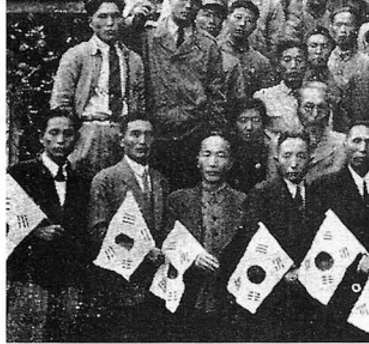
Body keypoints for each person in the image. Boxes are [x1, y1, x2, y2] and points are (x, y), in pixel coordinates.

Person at [134, 0, 225, 190]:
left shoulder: (208, 45)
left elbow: (216, 95)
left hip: (192, 135)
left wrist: (212, 133)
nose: (189, 5)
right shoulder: (147, 37)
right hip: (156, 134)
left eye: (195, 0)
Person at [7, 109, 90, 342]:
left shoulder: (82, 181)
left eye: (68, 134)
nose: (61, 140)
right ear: (41, 137)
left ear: (76, 139)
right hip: (29, 278)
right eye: (54, 133)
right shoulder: (19, 174)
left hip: (68, 281)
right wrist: (35, 232)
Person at [230, 132, 320, 341]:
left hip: (307, 290)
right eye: (287, 155)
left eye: (301, 156)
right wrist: (283, 272)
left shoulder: (317, 195)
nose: (294, 163)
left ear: (311, 160)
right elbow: (254, 242)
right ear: (276, 159)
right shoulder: (262, 194)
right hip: (273, 291)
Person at [88, 113, 169, 341]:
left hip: (156, 281)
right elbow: (98, 232)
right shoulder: (106, 179)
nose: (142, 141)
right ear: (121, 140)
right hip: (121, 282)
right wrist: (143, 251)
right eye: (135, 134)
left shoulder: (161, 180)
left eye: (148, 135)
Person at [51, 0, 144, 176]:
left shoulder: (133, 60)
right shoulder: (76, 56)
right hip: (89, 133)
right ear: (91, 22)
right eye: (102, 16)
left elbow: (140, 104)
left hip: (124, 135)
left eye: (116, 16)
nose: (110, 23)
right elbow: (60, 104)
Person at [164, 133, 246, 341]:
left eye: (221, 155)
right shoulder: (178, 200)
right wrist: (192, 256)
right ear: (197, 160)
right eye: (207, 154)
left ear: (230, 162)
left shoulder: (243, 202)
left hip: (228, 296)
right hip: (188, 293)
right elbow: (166, 240)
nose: (213, 162)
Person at [309, 122, 369, 258]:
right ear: (345, 145)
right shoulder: (323, 187)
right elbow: (320, 238)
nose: (363, 149)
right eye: (356, 141)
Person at [288, 81, 346, 183]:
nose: (315, 114)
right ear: (297, 108)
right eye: (308, 107)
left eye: (321, 107)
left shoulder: (341, 143)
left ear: (328, 110)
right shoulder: (281, 143)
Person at [218, 0, 276, 98]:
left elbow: (266, 96)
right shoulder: (215, 52)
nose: (242, 24)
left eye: (249, 21)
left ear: (255, 26)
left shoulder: (260, 62)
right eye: (238, 17)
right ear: (227, 19)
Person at [254, 38, 307, 134]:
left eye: (299, 60)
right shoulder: (264, 97)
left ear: (306, 65)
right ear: (278, 66)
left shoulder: (315, 95)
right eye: (287, 60)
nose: (293, 66)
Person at [227, 98, 273, 194]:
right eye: (243, 120)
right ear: (234, 123)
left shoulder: (269, 151)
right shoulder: (227, 151)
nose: (249, 127)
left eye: (256, 120)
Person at [327, 7, 369, 89]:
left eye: (348, 25)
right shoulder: (326, 58)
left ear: (356, 29)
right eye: (338, 25)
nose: (343, 30)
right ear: (331, 28)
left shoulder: (365, 61)